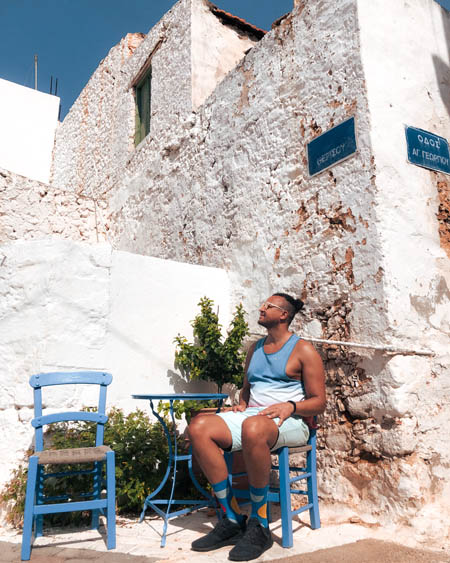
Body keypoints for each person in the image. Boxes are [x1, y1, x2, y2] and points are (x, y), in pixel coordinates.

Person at [187, 292, 326, 561]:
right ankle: (231, 518)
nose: (261, 308)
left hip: (292, 421)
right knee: (199, 426)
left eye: (268, 306)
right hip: (253, 417)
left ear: (284, 315)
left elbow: (319, 402)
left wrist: (291, 406)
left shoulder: (303, 350)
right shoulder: (255, 348)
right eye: (263, 304)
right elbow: (248, 391)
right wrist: (241, 404)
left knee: (253, 427)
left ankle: (260, 523)